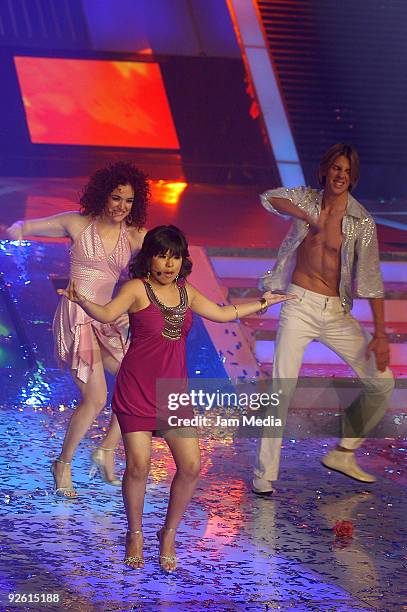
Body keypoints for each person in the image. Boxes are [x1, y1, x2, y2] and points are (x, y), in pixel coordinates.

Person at [58, 225, 293, 571]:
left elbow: (222, 312)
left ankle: (167, 534)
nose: (168, 264)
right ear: (149, 257)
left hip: (171, 392)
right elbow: (108, 314)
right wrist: (81, 300)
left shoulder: (185, 291)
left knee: (191, 466)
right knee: (138, 466)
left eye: (175, 256)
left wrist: (262, 303)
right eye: (162, 255)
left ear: (183, 260)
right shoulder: (137, 288)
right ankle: (135, 534)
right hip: (136, 387)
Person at [252, 143, 395, 497]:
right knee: (280, 389)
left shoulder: (362, 222)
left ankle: (344, 451)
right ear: (325, 171)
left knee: (383, 382)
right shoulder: (306, 199)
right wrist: (307, 217)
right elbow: (269, 198)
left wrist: (380, 335)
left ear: (352, 177)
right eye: (335, 168)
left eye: (346, 171)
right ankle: (264, 475)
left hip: (336, 312)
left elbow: (372, 281)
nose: (340, 175)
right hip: (299, 303)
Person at [6, 162, 149, 497]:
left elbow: (167, 261)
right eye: (116, 198)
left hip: (107, 317)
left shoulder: (135, 236)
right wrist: (17, 228)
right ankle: (64, 463)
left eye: (128, 201)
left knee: (140, 382)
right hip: (75, 316)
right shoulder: (76, 223)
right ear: (103, 195)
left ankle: (105, 450)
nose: (121, 207)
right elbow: (26, 225)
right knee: (96, 397)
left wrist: (132, 306)